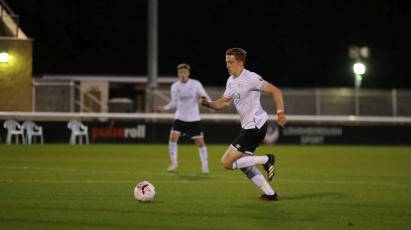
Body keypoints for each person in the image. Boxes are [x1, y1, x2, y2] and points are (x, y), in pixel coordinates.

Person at [199, 48, 287, 201]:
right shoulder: (231, 80)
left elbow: (276, 91)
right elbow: (224, 103)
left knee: (226, 163)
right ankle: (270, 194)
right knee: (244, 165)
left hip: (255, 126)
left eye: (230, 62)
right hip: (249, 127)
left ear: (240, 63)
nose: (227, 65)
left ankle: (266, 159)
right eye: (226, 62)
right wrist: (208, 104)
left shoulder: (251, 77)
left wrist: (280, 113)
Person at [156, 63, 212, 174]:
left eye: (184, 72)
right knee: (173, 138)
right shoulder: (175, 86)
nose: (183, 74)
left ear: (188, 73)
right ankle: (174, 164)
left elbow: (204, 96)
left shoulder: (195, 84)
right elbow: (174, 102)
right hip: (180, 118)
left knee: (200, 143)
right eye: (180, 72)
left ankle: (205, 167)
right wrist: (165, 108)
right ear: (178, 74)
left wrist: (209, 104)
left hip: (194, 119)